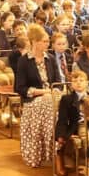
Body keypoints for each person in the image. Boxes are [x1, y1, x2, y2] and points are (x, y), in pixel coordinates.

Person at [15, 26, 62, 168]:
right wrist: (43, 92)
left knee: (65, 103)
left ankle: (60, 148)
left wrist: (55, 91)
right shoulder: (24, 61)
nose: (47, 44)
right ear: (34, 42)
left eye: (48, 41)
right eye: (44, 41)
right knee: (47, 102)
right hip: (34, 99)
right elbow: (20, 88)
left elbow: (58, 82)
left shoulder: (51, 59)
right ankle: (52, 151)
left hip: (52, 96)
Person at [55, 70, 89, 175]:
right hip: (79, 125)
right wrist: (61, 135)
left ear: (87, 83)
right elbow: (62, 119)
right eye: (75, 81)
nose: (79, 83)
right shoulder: (66, 99)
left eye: (81, 80)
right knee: (87, 138)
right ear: (71, 84)